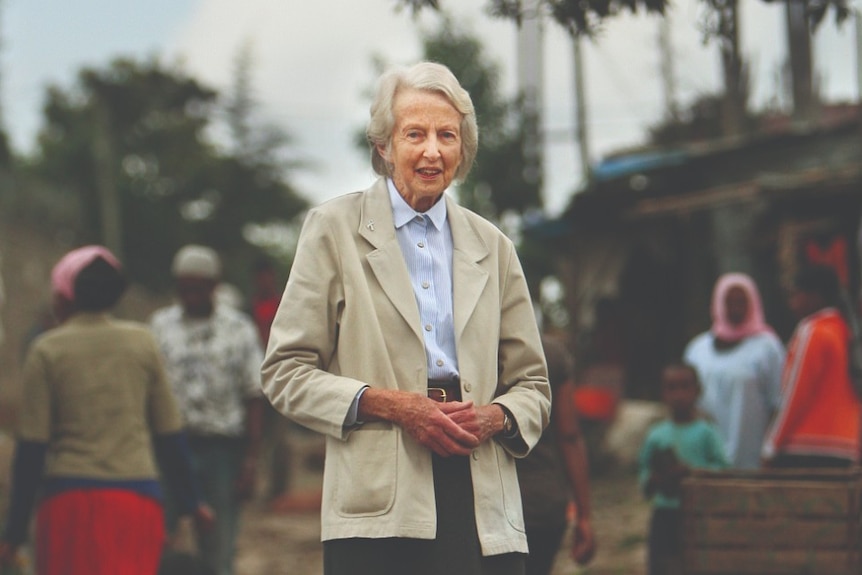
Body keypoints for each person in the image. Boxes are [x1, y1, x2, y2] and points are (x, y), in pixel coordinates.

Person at [260, 61, 551, 575]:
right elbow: (285, 373)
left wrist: (494, 417)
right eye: (414, 133)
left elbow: (533, 386)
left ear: (464, 150)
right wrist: (392, 405)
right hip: (378, 500)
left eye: (447, 135)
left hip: (481, 490)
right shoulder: (334, 230)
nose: (432, 150)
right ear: (383, 146)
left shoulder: (494, 247)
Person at [0, 245, 212, 574]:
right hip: (136, 499)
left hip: (68, 501)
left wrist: (13, 532)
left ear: (66, 295)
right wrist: (191, 502)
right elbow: (169, 433)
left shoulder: (47, 349)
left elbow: (32, 448)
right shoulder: (143, 342)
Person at [150, 244, 265, 575]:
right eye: (183, 288)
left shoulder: (239, 329)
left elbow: (254, 394)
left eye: (197, 288)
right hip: (170, 448)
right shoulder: (159, 326)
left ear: (214, 285)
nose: (190, 296)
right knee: (157, 541)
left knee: (218, 550)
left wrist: (250, 460)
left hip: (222, 452)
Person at [761, 264, 862, 468]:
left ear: (815, 295)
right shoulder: (846, 330)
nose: (792, 303)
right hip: (846, 445)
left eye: (795, 295)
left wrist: (771, 445)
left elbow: (795, 394)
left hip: (805, 446)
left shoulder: (813, 330)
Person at [683, 272, 785, 469]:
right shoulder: (697, 349)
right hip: (705, 460)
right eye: (729, 302)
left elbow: (778, 403)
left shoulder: (767, 348)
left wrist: (770, 450)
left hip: (751, 457)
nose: (735, 308)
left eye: (741, 302)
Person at [638, 362, 729, 575]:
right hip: (664, 514)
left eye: (684, 386)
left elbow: (723, 470)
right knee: (662, 565)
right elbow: (643, 472)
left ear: (697, 390)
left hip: (698, 515)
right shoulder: (656, 435)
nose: (678, 394)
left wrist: (693, 472)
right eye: (671, 387)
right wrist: (655, 479)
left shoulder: (707, 432)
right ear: (663, 393)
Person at [517, 334, 596, 575]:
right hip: (542, 502)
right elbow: (569, 435)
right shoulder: (549, 352)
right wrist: (584, 515)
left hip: (489, 504)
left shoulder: (466, 348)